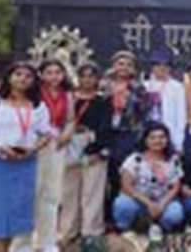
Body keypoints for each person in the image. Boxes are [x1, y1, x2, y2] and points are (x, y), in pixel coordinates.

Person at [0, 62, 51, 252]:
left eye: (28, 76)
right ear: (9, 77)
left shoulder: (38, 106)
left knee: (15, 215)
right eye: (18, 74)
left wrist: (32, 149)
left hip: (25, 165)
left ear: (34, 81)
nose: (23, 78)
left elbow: (46, 134)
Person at [60, 63, 113, 249]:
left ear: (97, 79)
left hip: (94, 146)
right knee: (68, 192)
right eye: (84, 75)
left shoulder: (103, 100)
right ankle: (67, 231)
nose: (87, 79)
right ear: (78, 78)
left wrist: (98, 151)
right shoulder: (68, 98)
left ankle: (91, 233)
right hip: (68, 145)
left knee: (93, 193)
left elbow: (106, 127)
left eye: (92, 76)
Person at [26, 59, 75, 252]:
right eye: (49, 72)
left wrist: (66, 135)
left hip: (57, 144)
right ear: (41, 74)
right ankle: (26, 240)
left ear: (63, 74)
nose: (54, 76)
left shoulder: (67, 95)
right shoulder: (34, 93)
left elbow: (70, 119)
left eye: (58, 72)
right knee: (33, 192)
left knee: (52, 194)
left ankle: (48, 241)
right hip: (36, 144)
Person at [113, 123, 184, 236]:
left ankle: (162, 229)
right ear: (145, 141)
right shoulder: (135, 159)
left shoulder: (173, 160)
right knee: (122, 204)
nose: (158, 141)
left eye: (162, 137)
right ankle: (124, 229)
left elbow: (175, 187)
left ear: (167, 140)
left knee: (175, 213)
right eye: (153, 137)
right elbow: (126, 186)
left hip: (162, 201)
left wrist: (161, 205)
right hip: (139, 201)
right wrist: (149, 204)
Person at [104, 51, 147, 221]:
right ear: (113, 66)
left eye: (129, 65)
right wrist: (112, 94)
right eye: (120, 64)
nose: (124, 67)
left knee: (124, 173)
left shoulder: (139, 87)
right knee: (104, 175)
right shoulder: (104, 85)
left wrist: (129, 95)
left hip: (128, 134)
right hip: (106, 133)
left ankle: (122, 215)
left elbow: (143, 110)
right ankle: (105, 215)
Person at [143, 51, 186, 153]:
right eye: (158, 65)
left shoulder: (177, 87)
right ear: (152, 67)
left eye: (165, 65)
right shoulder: (144, 86)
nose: (162, 68)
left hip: (169, 132)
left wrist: (178, 142)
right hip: (147, 132)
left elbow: (181, 116)